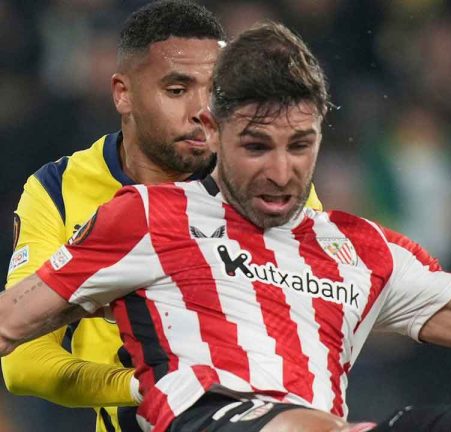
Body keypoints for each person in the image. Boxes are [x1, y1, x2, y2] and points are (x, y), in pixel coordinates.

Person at [0, 22, 451, 432]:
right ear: (213, 131)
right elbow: (12, 329)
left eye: (300, 145)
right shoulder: (147, 218)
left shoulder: (359, 252)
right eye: (256, 146)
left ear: (322, 134)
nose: (281, 172)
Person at [1, 2, 322, 431]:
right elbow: (22, 362)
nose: (202, 111)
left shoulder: (266, 182)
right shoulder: (57, 191)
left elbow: (315, 321)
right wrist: (140, 387)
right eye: (177, 90)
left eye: (214, 91)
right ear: (123, 93)